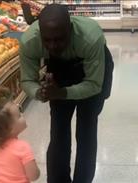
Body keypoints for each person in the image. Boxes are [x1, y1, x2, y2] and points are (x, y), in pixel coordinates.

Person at [19, 4, 113, 183]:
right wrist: (42, 92)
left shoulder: (91, 37)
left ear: (70, 29)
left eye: (60, 39)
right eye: (47, 40)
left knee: (86, 131)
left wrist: (62, 93)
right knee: (58, 132)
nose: (53, 46)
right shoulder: (29, 41)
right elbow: (27, 81)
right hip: (59, 74)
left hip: (94, 71)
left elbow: (93, 84)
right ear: (39, 32)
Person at [0, 88, 40, 183]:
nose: (22, 115)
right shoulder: (22, 147)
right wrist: (37, 171)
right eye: (19, 115)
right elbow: (33, 176)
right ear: (9, 129)